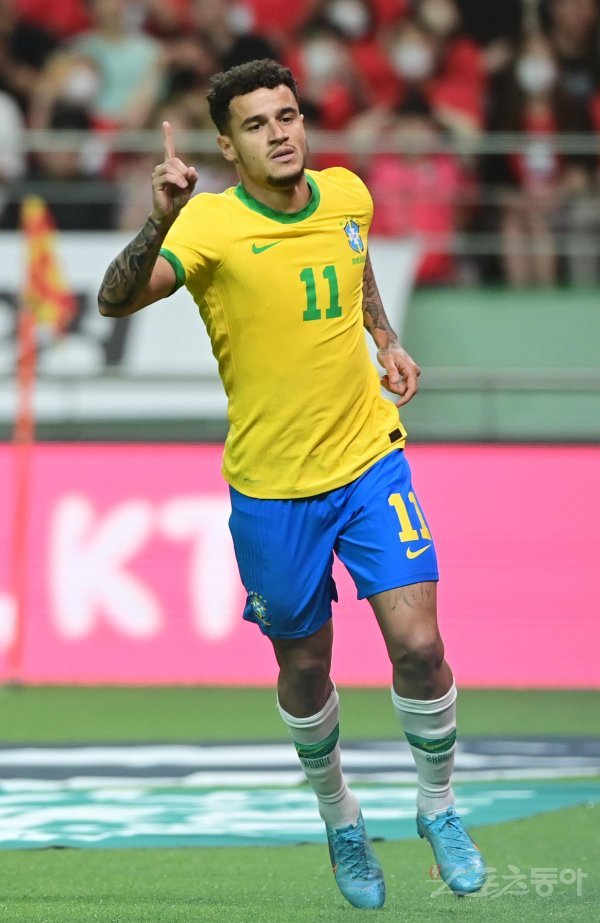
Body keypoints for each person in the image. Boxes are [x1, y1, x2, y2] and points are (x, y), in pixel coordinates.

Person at [97, 58, 486, 909]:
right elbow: (113, 302)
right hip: (272, 490)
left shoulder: (347, 194)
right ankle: (341, 816)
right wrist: (158, 220)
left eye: (287, 115)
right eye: (256, 124)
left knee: (420, 644)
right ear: (228, 147)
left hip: (369, 460)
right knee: (305, 668)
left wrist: (385, 336)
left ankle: (439, 806)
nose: (278, 133)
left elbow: (355, 263)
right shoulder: (209, 224)